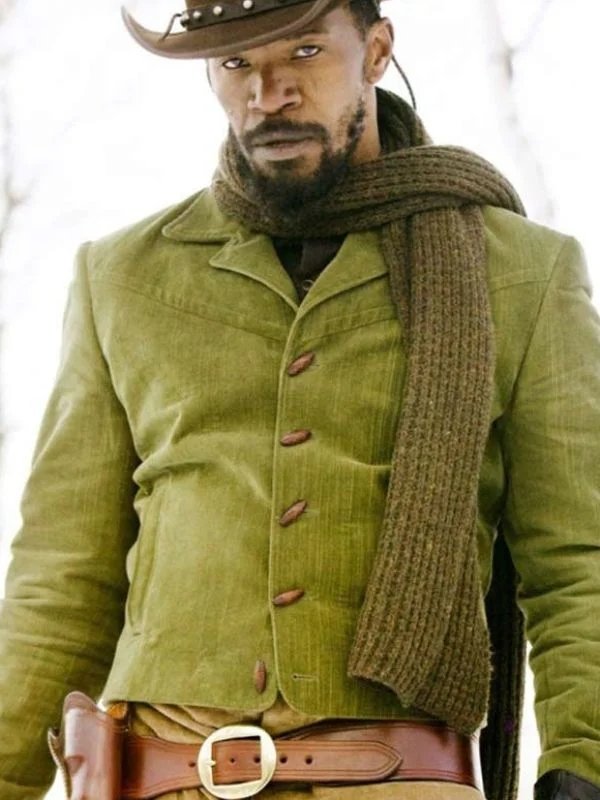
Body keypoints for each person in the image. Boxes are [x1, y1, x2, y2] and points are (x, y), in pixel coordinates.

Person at [0, 0, 598, 798]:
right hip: (159, 776)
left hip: (396, 779)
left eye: (306, 52)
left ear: (376, 51)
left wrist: (584, 759)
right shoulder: (123, 276)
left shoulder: (521, 272)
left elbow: (579, 563)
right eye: (237, 63)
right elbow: (62, 580)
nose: (269, 92)